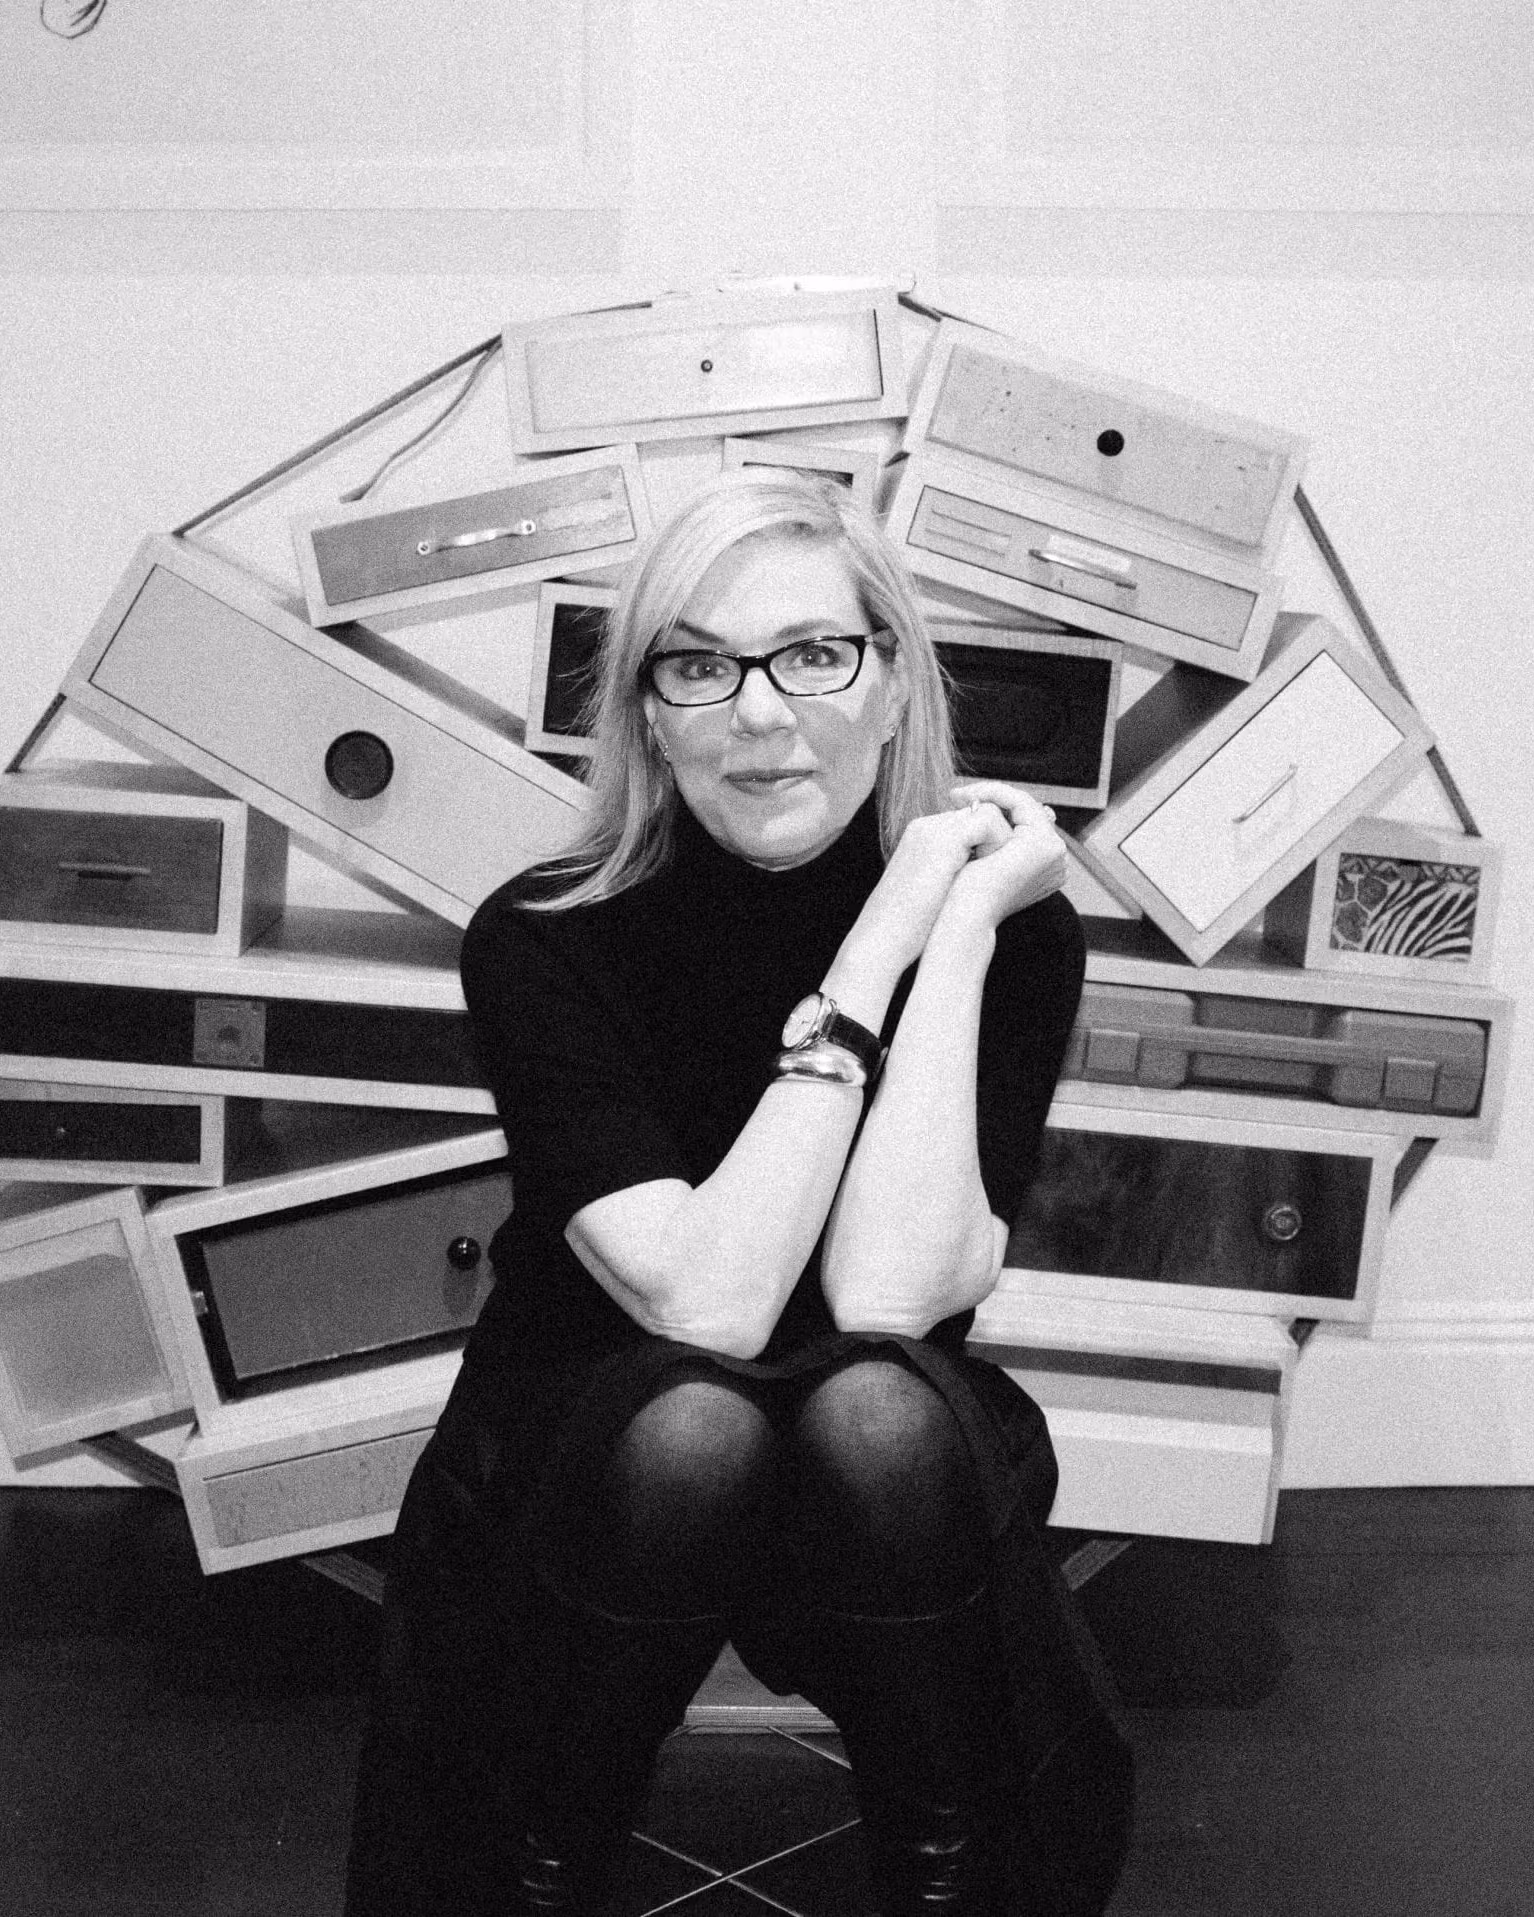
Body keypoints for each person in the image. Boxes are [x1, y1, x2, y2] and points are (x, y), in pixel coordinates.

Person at [344, 472, 1132, 1916]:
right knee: (696, 1429)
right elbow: (707, 1305)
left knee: (875, 1409)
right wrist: (882, 927)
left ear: (894, 686)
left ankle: (941, 1871)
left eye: (815, 655)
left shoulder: (1010, 933)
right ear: (649, 710)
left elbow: (887, 1301)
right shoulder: (539, 937)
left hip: (868, 1459)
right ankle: (545, 1862)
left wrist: (953, 931)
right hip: (593, 1438)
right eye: (700, 664)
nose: (760, 712)